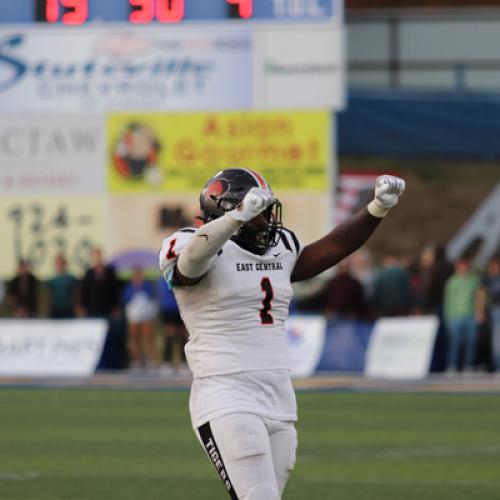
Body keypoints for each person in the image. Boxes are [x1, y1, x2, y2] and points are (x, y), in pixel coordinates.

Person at [158, 168, 405, 500]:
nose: (268, 219)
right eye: (259, 212)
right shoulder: (189, 243)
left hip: (279, 395)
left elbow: (330, 248)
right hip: (226, 392)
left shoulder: (281, 247)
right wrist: (234, 220)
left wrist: (376, 209)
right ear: (228, 210)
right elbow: (189, 267)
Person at [443, 256, 482, 374]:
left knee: (471, 342)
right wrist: (447, 317)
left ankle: (468, 366)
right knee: (455, 342)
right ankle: (452, 365)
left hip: (470, 315)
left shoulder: (474, 280)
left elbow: (479, 297)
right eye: (461, 265)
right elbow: (448, 300)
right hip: (455, 316)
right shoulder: (452, 281)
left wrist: (478, 312)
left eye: (465, 265)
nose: (463, 268)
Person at [122, 266, 158, 369]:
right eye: (136, 275)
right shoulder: (129, 287)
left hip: (146, 317)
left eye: (140, 275)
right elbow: (126, 301)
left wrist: (152, 315)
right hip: (134, 318)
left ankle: (152, 361)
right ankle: (136, 361)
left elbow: (153, 300)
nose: (138, 277)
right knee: (135, 340)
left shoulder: (148, 286)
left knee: (149, 339)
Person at [157, 274, 188, 370]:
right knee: (170, 335)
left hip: (180, 308)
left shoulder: (181, 273)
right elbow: (170, 290)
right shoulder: (163, 278)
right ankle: (167, 362)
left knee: (183, 335)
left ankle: (184, 362)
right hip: (168, 309)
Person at [45, 254, 80, 319]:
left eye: (61, 263)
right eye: (58, 263)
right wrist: (49, 309)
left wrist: (76, 307)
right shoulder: (52, 280)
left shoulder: (70, 278)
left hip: (68, 310)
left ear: (64, 264)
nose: (60, 265)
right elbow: (49, 296)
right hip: (55, 310)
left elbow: (76, 293)